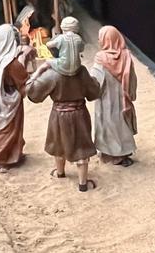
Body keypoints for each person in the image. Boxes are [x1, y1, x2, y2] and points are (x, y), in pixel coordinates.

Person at [26, 19, 102, 192]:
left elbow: (34, 94)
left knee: (58, 144)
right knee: (81, 147)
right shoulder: (81, 72)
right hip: (79, 114)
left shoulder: (52, 73)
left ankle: (60, 173)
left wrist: (36, 73)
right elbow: (93, 93)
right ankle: (82, 184)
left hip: (59, 115)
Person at [90, 25, 138, 166]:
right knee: (121, 125)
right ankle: (123, 153)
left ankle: (110, 155)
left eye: (101, 38)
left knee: (108, 125)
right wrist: (130, 94)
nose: (99, 40)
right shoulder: (126, 56)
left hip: (106, 99)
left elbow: (96, 82)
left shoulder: (101, 58)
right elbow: (133, 79)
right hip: (123, 99)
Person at [0, 24, 28, 170]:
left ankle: (9, 155)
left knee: (2, 130)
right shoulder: (12, 64)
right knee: (12, 129)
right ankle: (4, 158)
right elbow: (23, 82)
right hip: (11, 99)